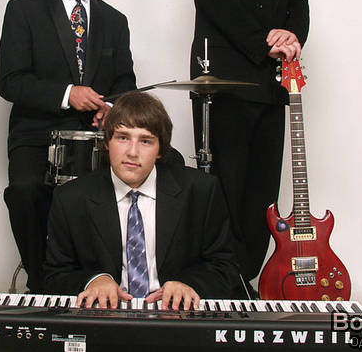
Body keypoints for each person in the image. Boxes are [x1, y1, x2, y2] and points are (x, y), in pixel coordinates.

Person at [184, 0, 309, 294]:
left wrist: (292, 36)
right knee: (227, 191)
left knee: (262, 196)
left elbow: (298, 2)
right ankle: (223, 282)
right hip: (226, 86)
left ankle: (246, 282)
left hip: (271, 88)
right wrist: (265, 42)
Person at [0, 0, 136, 293]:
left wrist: (111, 107)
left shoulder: (115, 20)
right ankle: (42, 285)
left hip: (96, 139)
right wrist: (67, 93)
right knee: (25, 191)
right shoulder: (23, 10)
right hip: (36, 135)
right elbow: (9, 81)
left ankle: (104, 283)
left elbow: (126, 83)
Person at [44, 91, 238, 309]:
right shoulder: (70, 199)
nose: (132, 152)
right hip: (104, 316)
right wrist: (93, 280)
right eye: (123, 138)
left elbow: (225, 267)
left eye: (145, 141)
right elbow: (54, 276)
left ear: (160, 150)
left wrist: (188, 284)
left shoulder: (201, 190)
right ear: (107, 142)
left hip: (175, 314)